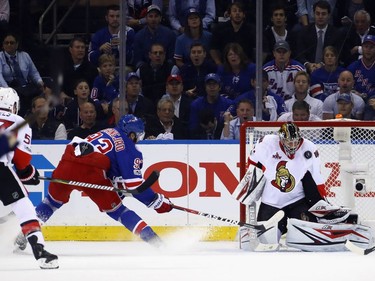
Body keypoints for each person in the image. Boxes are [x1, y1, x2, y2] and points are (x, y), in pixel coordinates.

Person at [15, 114, 173, 251]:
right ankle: (155, 242)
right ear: (132, 134)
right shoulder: (129, 147)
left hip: (68, 159)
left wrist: (117, 186)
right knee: (118, 211)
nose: (138, 140)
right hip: (90, 170)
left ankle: (24, 235)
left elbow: (115, 172)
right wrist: (158, 202)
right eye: (138, 136)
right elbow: (134, 186)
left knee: (51, 202)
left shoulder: (107, 132)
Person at [242, 122, 352, 250]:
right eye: (289, 142)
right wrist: (250, 186)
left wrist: (323, 202)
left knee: (310, 240)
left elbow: (317, 178)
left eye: (296, 142)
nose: (293, 146)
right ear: (281, 139)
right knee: (267, 243)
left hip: (298, 200)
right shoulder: (266, 144)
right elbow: (252, 165)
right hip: (271, 201)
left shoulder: (309, 148)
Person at [0, 87, 58, 269]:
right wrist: (28, 173)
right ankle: (39, 250)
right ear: (14, 105)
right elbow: (22, 160)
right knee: (23, 205)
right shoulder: (18, 122)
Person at [0, 32, 46, 116]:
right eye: (6, 43)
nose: (9, 45)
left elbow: (34, 72)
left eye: (12, 43)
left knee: (42, 93)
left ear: (17, 44)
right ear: (3, 45)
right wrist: (8, 90)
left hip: (25, 88)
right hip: (9, 89)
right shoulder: (0, 57)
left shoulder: (24, 55)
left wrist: (40, 82)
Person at [295, 0, 342, 73]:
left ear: (329, 15)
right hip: (307, 71)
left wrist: (322, 64)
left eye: (323, 14)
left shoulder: (336, 34)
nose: (320, 17)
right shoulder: (304, 32)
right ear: (313, 14)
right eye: (317, 13)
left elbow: (337, 55)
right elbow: (300, 54)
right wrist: (308, 65)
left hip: (328, 71)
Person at [133, 5, 176, 69]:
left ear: (160, 18)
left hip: (165, 69)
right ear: (146, 18)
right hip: (145, 70)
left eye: (156, 16)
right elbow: (137, 60)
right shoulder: (139, 36)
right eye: (150, 16)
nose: (153, 19)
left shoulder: (170, 34)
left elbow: (172, 58)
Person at [59, 37, 98, 105]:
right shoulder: (62, 67)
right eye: (77, 47)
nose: (81, 50)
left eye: (82, 47)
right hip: (64, 102)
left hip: (86, 103)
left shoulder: (92, 69)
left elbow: (94, 91)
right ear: (70, 50)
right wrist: (61, 93)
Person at [90, 54, 119, 120]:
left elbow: (119, 97)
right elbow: (93, 97)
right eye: (105, 66)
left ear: (114, 67)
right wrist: (101, 104)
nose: (108, 68)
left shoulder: (118, 80)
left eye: (110, 65)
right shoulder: (98, 80)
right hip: (102, 110)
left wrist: (110, 85)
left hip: (115, 108)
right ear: (100, 68)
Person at [347, 35, 375, 100]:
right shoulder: (353, 66)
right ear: (362, 48)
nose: (368, 50)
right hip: (355, 101)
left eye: (371, 47)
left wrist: (364, 95)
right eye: (366, 47)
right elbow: (345, 85)